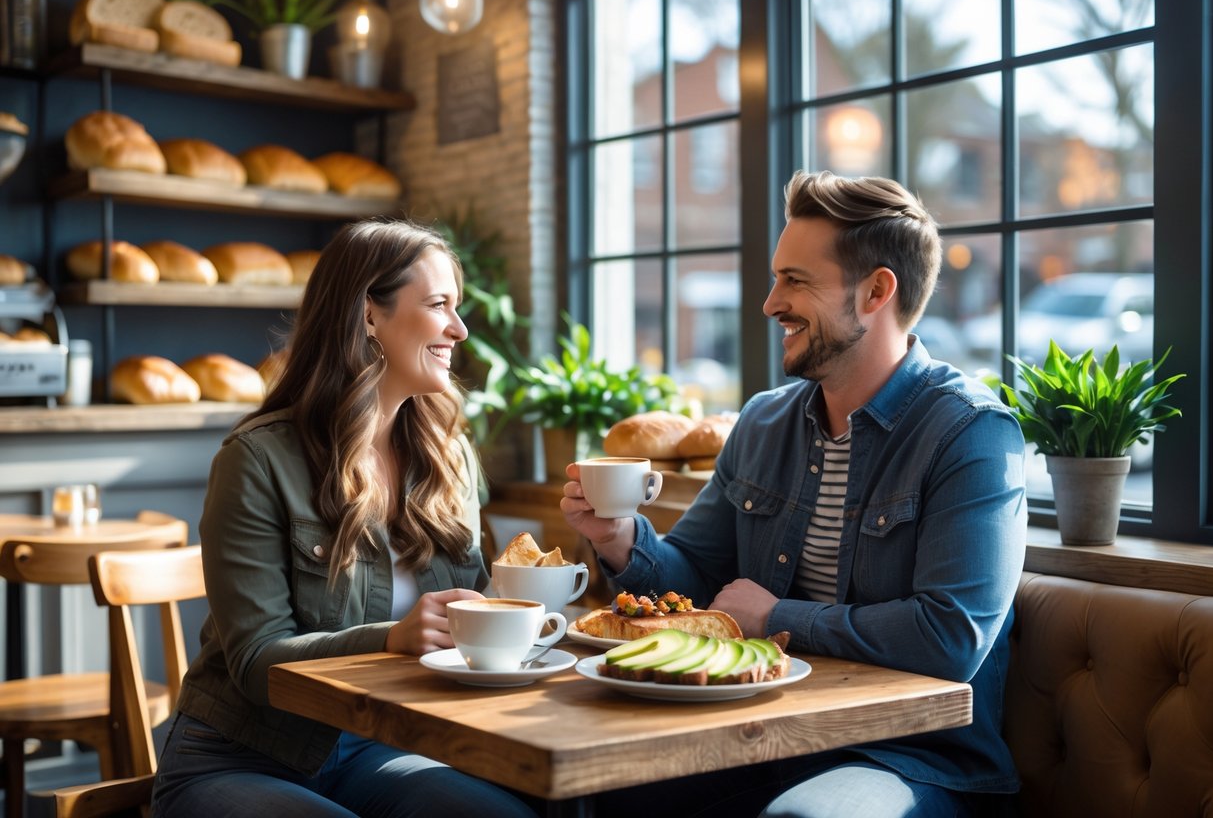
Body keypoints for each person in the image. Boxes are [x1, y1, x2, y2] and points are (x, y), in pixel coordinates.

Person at [561, 171, 1027, 817]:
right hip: (765, 736)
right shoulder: (763, 421)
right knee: (591, 791)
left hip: (911, 756)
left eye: (795, 281)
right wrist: (617, 539)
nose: (769, 302)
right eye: (776, 277)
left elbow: (949, 638)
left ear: (875, 291)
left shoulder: (971, 433)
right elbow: (695, 578)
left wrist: (774, 618)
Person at [151, 219, 536, 818]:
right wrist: (392, 638)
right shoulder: (257, 459)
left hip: (379, 748)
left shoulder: (447, 454)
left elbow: (476, 607)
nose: (459, 329)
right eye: (439, 305)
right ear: (368, 316)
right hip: (239, 755)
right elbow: (256, 662)